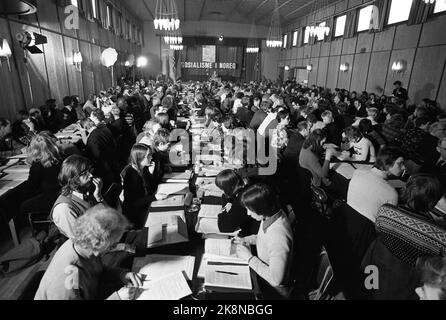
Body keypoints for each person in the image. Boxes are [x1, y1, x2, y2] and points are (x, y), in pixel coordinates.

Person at [362, 174, 446, 300]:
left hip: (376, 268)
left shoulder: (385, 211)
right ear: (433, 202)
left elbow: (378, 231)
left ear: (407, 191)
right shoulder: (441, 237)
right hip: (406, 285)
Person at [35, 204, 142, 300]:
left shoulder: (85, 246)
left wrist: (121, 274)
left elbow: (97, 270)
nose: (114, 247)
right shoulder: (67, 279)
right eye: (113, 244)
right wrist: (117, 297)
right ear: (97, 244)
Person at [235, 183, 294, 298]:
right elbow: (264, 240)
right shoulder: (270, 214)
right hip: (264, 275)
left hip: (274, 290)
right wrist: (246, 239)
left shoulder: (278, 236)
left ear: (261, 208)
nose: (248, 213)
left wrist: (249, 258)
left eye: (250, 210)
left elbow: (276, 280)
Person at [51, 155, 104, 239]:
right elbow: (82, 241)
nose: (90, 175)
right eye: (84, 173)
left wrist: (99, 197)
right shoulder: (64, 208)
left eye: (90, 170)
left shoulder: (86, 191)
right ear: (72, 178)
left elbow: (109, 217)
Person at [347, 147, 405, 223]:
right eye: (400, 164)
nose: (404, 167)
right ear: (387, 164)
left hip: (346, 217)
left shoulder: (358, 172)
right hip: (367, 230)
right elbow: (387, 224)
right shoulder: (392, 194)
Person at [20, 133, 63, 216]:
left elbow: (32, 187)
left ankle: (35, 226)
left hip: (51, 198)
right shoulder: (61, 158)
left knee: (23, 205)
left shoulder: (37, 165)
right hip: (63, 194)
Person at [121, 144, 163, 229]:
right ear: (139, 158)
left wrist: (152, 174)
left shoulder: (143, 168)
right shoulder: (131, 175)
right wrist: (154, 197)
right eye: (148, 156)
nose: (151, 158)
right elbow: (133, 204)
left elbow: (152, 189)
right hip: (136, 215)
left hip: (146, 206)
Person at [213, 169, 259, 235]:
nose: (222, 192)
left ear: (230, 187)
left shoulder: (241, 201)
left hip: (251, 231)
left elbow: (223, 228)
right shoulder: (246, 184)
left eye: (223, 189)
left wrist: (222, 211)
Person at [84, 109, 119, 190]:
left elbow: (95, 156)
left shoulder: (93, 137)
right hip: (112, 161)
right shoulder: (104, 128)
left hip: (104, 169)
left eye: (91, 116)